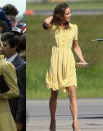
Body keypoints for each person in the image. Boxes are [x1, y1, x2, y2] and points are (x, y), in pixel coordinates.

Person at [43, 3, 88, 131]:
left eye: (70, 13)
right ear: (61, 15)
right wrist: (56, 16)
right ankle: (53, 121)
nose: (70, 15)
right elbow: (45, 21)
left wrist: (82, 59)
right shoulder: (53, 27)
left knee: (72, 93)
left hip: (69, 61)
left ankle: (75, 123)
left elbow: (76, 46)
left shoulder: (74, 28)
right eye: (67, 13)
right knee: (54, 94)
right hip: (55, 61)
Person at [1, 32, 26, 131]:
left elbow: (22, 95)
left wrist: (18, 120)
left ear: (14, 47)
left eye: (5, 45)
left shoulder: (21, 66)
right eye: (0, 45)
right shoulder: (2, 62)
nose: (1, 48)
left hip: (14, 116)